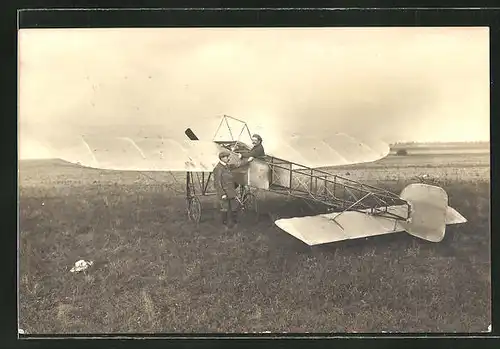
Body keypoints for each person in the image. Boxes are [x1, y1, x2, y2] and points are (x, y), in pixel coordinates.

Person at [213, 150, 241, 230]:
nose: (229, 158)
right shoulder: (218, 168)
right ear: (222, 158)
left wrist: (247, 160)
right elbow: (217, 183)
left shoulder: (227, 166)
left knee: (234, 208)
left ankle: (235, 224)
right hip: (224, 192)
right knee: (224, 209)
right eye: (227, 157)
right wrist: (222, 194)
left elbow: (237, 165)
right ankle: (224, 225)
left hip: (231, 191)